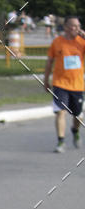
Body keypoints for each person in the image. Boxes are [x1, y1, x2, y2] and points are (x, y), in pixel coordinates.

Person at [44, 15, 85, 152]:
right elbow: (49, 62)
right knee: (60, 112)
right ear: (66, 27)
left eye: (79, 26)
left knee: (78, 115)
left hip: (77, 85)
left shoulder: (82, 42)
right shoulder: (57, 42)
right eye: (74, 26)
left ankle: (75, 130)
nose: (77, 28)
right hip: (60, 84)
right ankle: (61, 141)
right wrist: (46, 80)